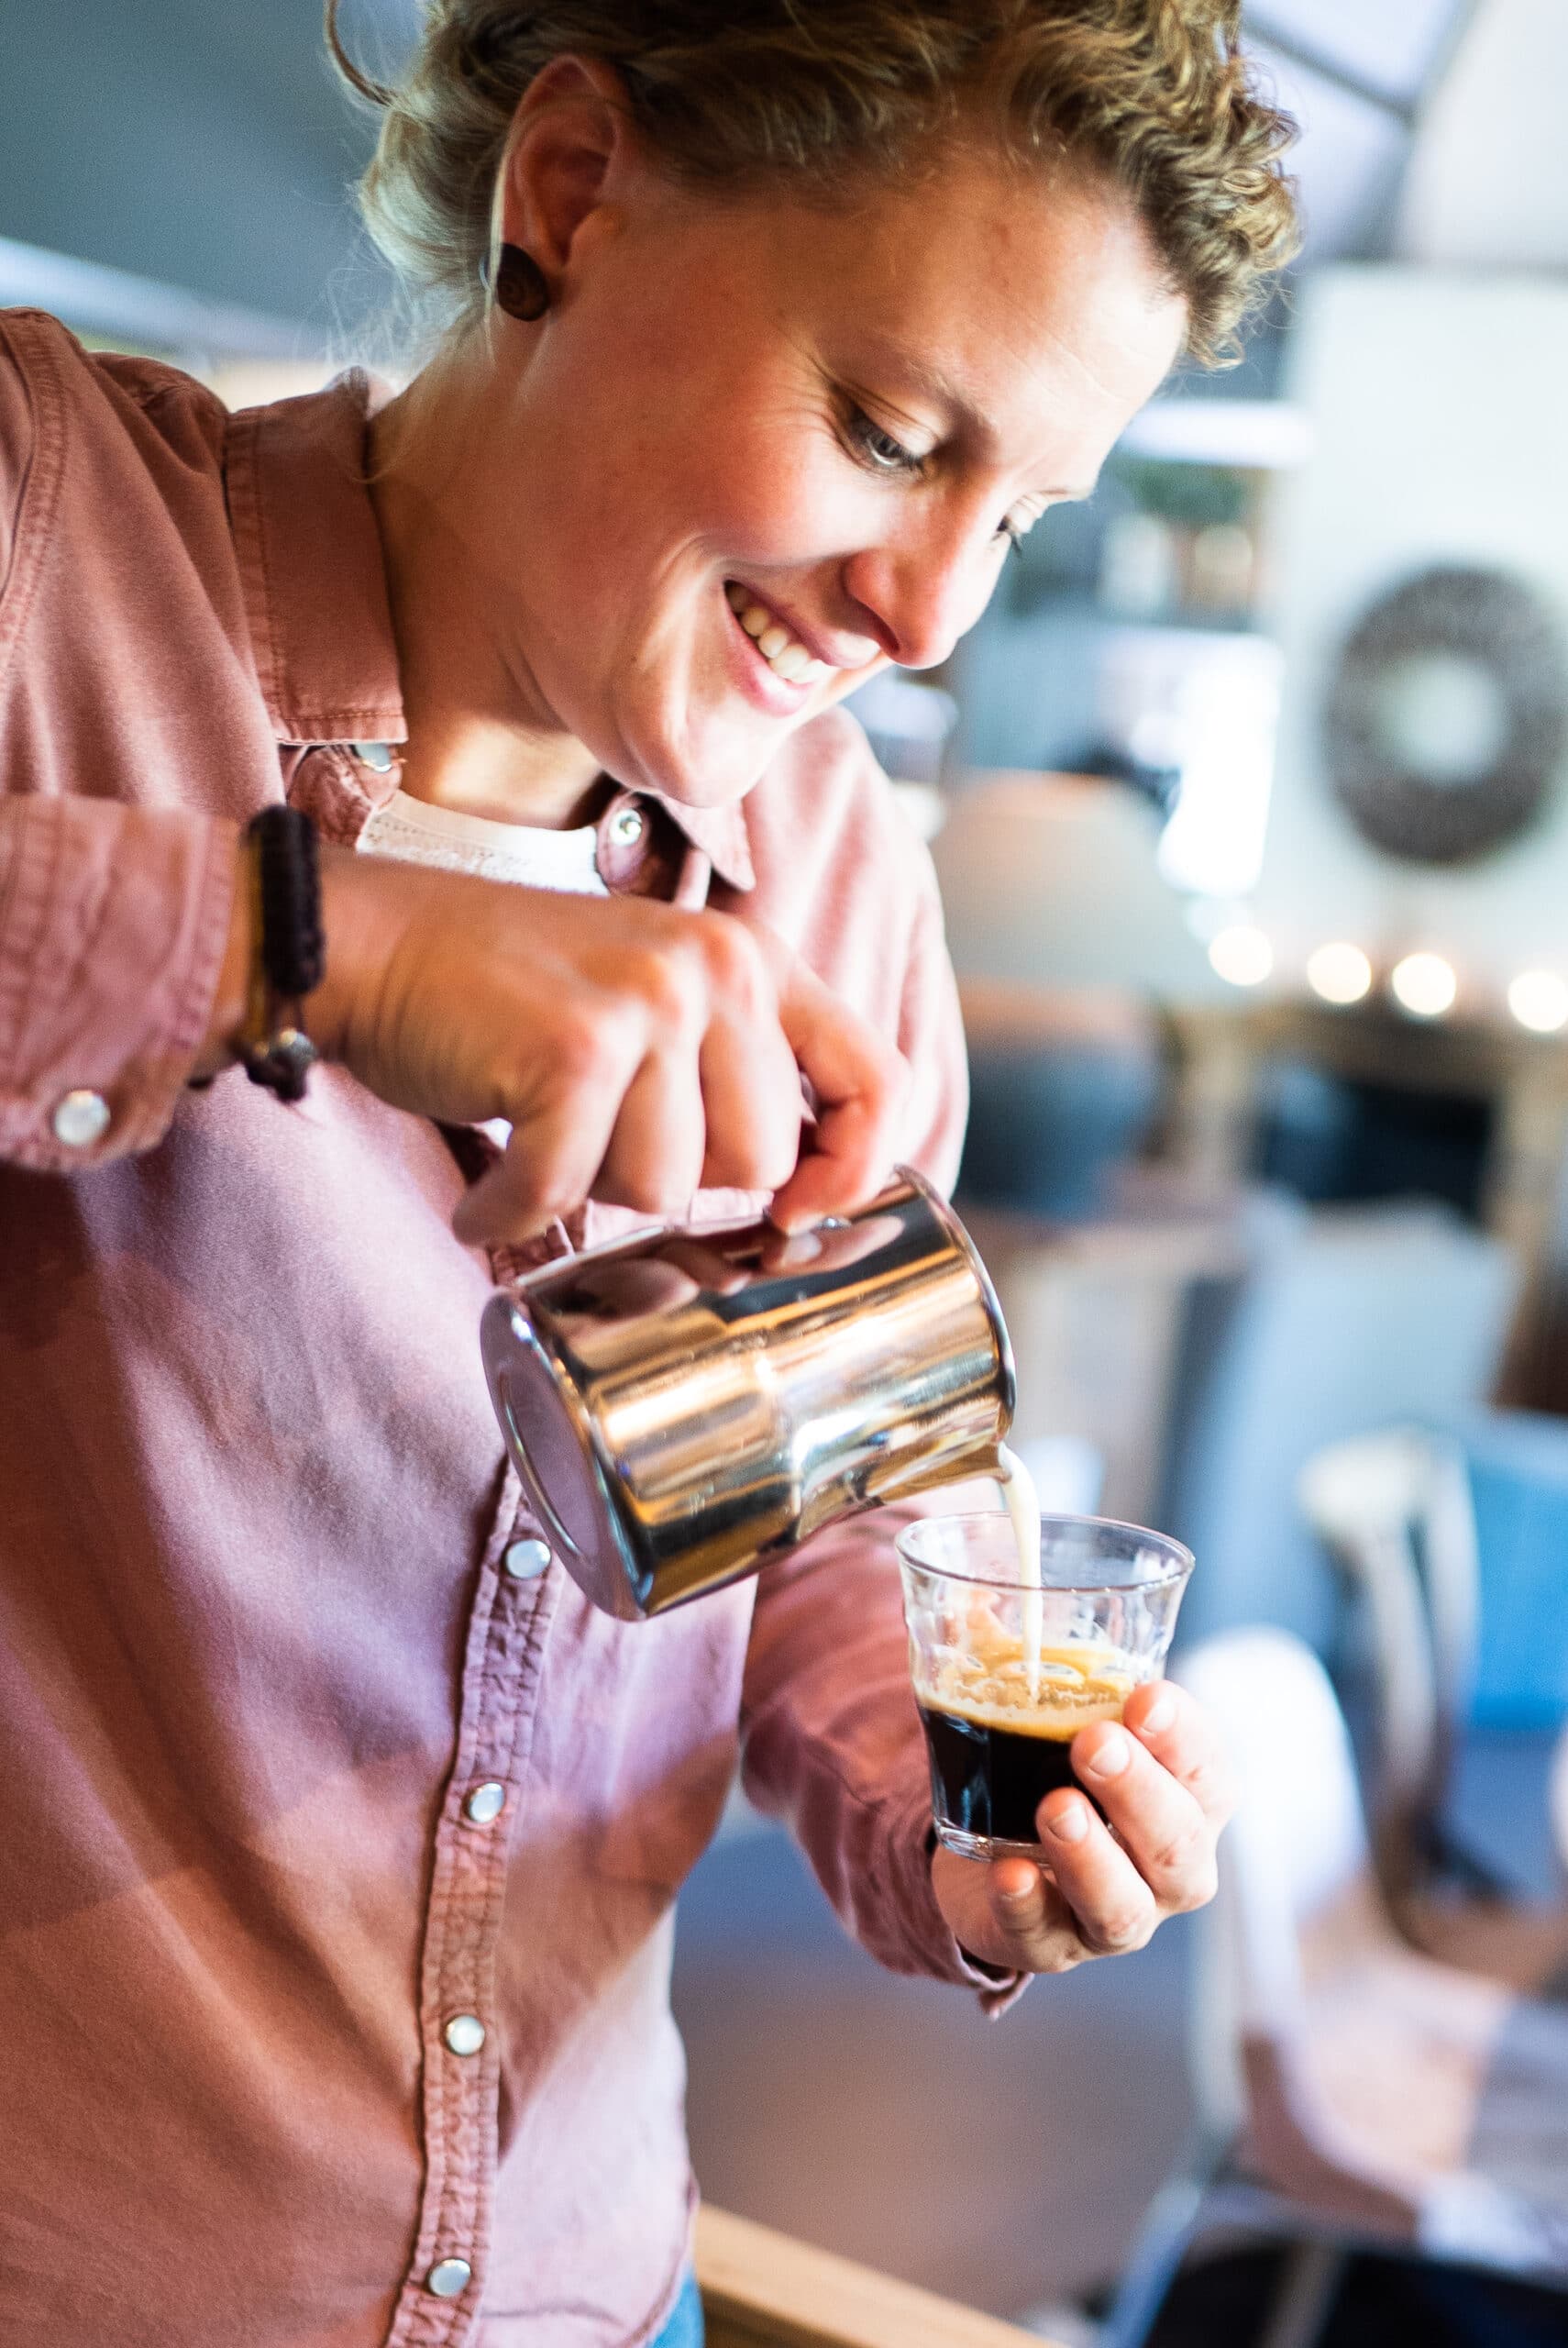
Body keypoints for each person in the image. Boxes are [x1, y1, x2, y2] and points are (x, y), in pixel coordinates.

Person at [0, 5, 1296, 2342]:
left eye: (1018, 514)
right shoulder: (49, 543)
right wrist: (316, 941)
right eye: (889, 430)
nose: (932, 613)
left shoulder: (838, 871)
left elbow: (824, 1533)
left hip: (594, 2284)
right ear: (574, 190)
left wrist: (954, 1818)